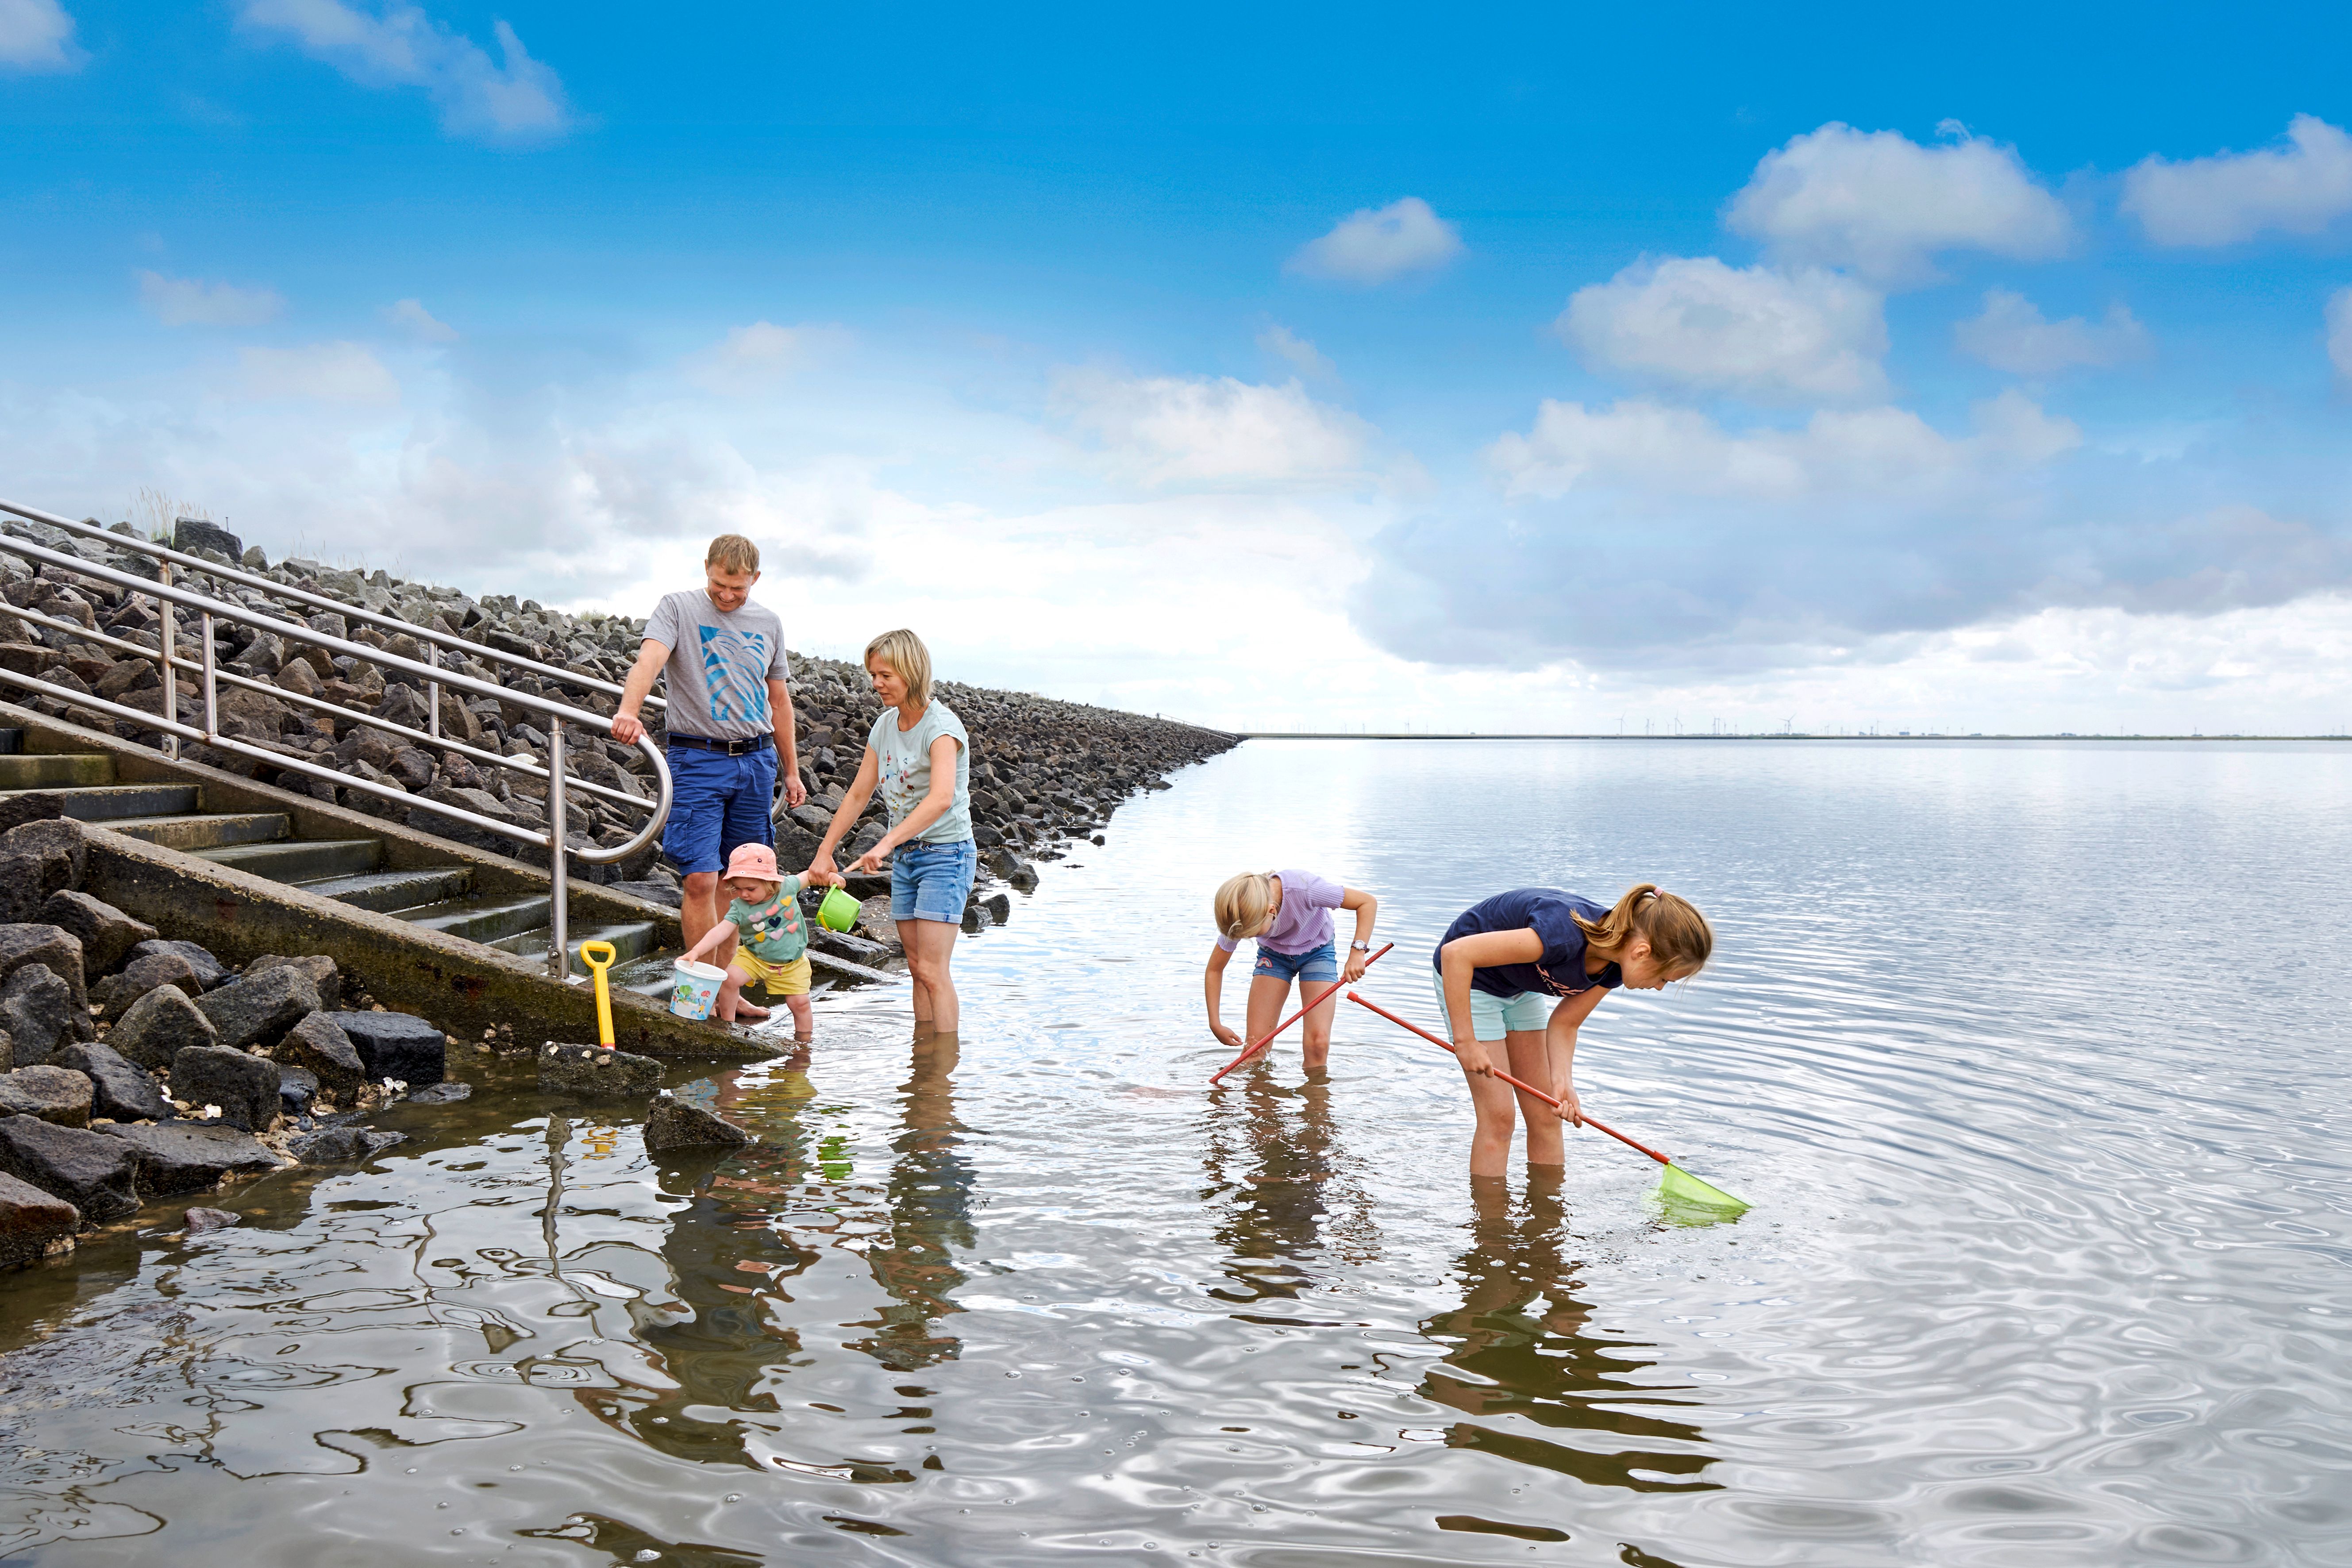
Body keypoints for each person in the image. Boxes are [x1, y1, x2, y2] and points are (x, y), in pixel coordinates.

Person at [610, 533, 806, 964]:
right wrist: (629, 710)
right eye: (720, 584)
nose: (727, 595)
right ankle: (700, 986)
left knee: (736, 881)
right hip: (696, 759)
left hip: (756, 763)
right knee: (700, 879)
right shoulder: (678, 608)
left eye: (739, 588)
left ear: (756, 578)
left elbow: (779, 701)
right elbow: (649, 662)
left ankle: (724, 992)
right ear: (707, 568)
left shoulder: (769, 622)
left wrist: (790, 772)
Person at [1431, 884, 1711, 1179]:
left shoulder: (1614, 966)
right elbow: (1456, 954)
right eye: (1663, 978)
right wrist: (1466, 1041)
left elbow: (1566, 1023)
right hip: (1471, 978)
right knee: (1499, 1119)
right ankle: (1490, 1223)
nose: (1658, 987)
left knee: (1546, 1115)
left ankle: (1549, 1217)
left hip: (1519, 986)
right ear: (1642, 952)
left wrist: (1562, 1082)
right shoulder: (1561, 935)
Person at [809, 629, 974, 1036]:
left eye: (885, 675)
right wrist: (824, 851)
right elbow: (858, 793)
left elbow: (939, 799)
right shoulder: (885, 726)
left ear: (910, 671)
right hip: (907, 859)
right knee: (917, 968)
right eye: (873, 675)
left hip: (946, 855)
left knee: (934, 971)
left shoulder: (942, 727)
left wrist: (885, 842)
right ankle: (924, 1064)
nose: (876, 684)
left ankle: (942, 1072)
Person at [1203, 870, 1378, 1074]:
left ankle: (1316, 1105)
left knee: (1318, 1044)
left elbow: (1367, 903)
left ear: (1271, 911)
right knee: (1255, 1048)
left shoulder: (1306, 889)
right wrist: (1215, 1023)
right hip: (1274, 956)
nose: (1247, 939)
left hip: (1317, 951)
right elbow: (1215, 970)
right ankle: (1259, 1101)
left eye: (1252, 935)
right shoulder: (1240, 913)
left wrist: (1358, 952)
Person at [676, 843, 816, 1034]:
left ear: (770, 882)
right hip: (754, 958)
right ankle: (728, 1026)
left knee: (799, 1004)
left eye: (750, 889)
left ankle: (804, 1042)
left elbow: (811, 875)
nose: (743, 894)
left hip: (792, 963)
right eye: (738, 889)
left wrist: (832, 876)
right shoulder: (739, 907)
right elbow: (721, 931)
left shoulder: (787, 887)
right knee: (729, 979)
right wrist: (696, 951)